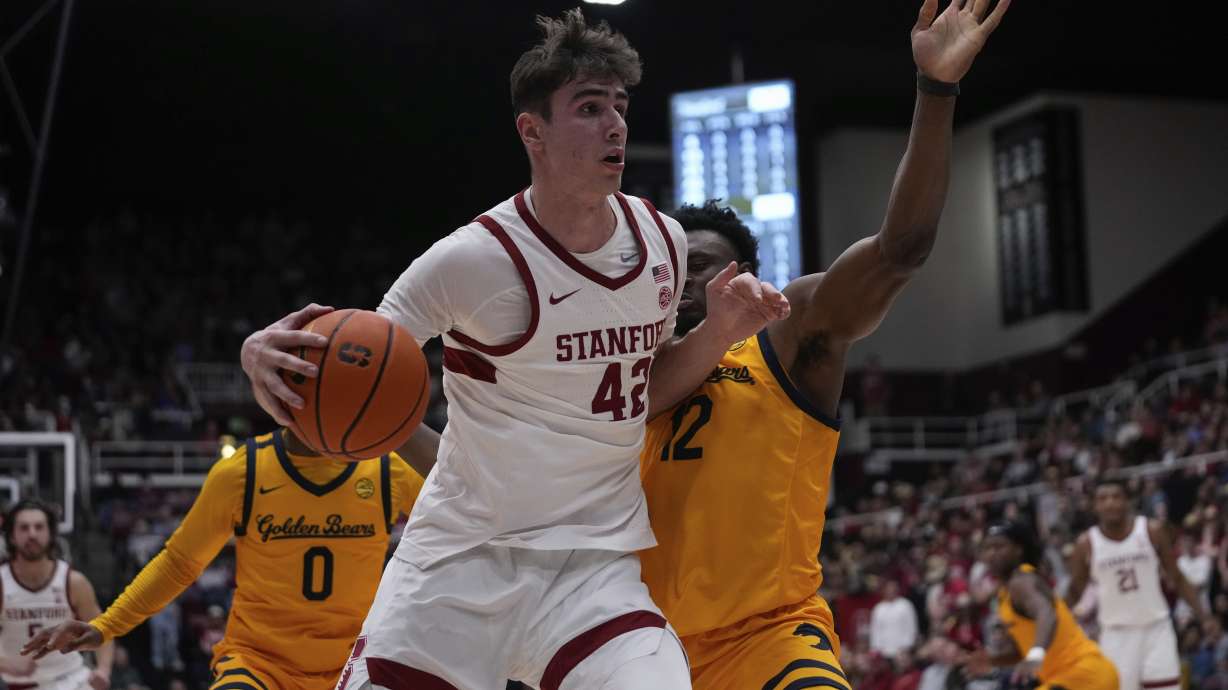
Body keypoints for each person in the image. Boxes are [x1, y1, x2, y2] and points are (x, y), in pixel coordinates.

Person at [240, 10, 787, 690]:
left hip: (592, 569)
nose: (614, 124)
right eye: (589, 109)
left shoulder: (664, 244)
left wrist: (714, 335)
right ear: (533, 131)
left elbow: (639, 391)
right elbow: (358, 363)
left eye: (619, 106)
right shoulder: (472, 260)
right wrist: (263, 354)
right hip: (458, 562)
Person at [635, 0, 1011, 687]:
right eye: (676, 267)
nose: (690, 282)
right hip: (642, 651)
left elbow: (901, 251)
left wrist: (936, 90)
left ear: (746, 279)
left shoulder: (788, 335)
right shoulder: (622, 370)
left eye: (708, 266)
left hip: (769, 637)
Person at [23, 429, 424, 690]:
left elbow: (471, 505)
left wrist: (403, 420)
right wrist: (106, 625)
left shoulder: (389, 468)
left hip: (356, 665)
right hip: (258, 665)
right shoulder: (243, 471)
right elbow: (179, 563)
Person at [1064, 477, 1203, 690]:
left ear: (1127, 501)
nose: (1110, 503)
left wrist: (1204, 616)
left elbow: (1177, 578)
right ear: (1095, 506)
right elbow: (1075, 591)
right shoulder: (1086, 544)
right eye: (1103, 498)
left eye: (1116, 496)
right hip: (1116, 633)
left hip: (1157, 628)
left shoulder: (1151, 531)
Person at [978, 521, 1117, 690]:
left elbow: (1046, 612)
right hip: (1072, 678)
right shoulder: (1004, 593)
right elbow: (1022, 651)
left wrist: (1036, 654)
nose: (993, 553)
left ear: (1018, 550)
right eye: (988, 548)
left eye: (999, 547)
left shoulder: (1021, 581)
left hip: (1083, 674)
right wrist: (992, 659)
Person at [0, 499, 112, 690]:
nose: (32, 534)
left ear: (51, 534)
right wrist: (6, 664)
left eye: (39, 527)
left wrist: (103, 670)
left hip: (71, 680)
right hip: (19, 684)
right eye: (24, 528)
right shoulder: (2, 582)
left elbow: (103, 629)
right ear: (11, 536)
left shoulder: (73, 581)